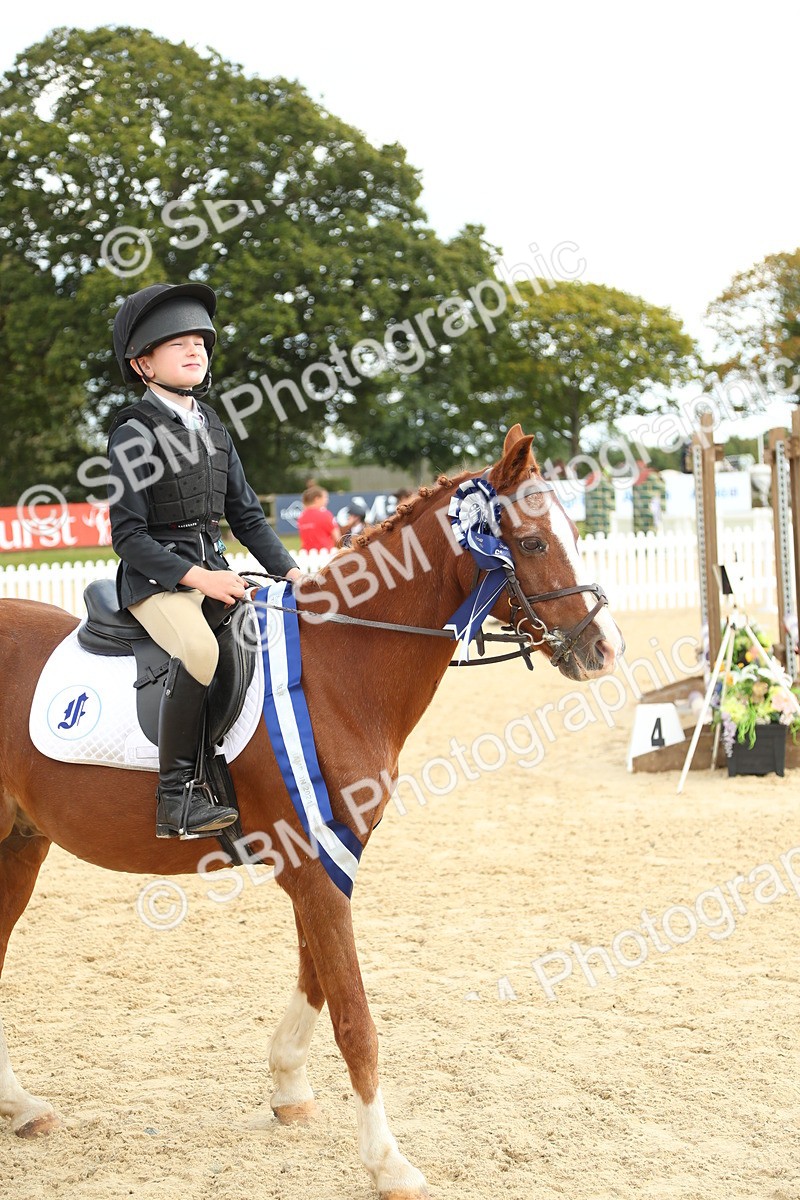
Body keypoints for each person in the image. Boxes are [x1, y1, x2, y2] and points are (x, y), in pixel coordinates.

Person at [109, 282, 302, 840]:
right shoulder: (133, 432)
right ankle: (177, 796)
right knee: (198, 649)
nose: (194, 349)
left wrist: (294, 575)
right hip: (156, 582)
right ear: (143, 363)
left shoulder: (213, 425)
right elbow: (127, 536)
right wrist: (200, 579)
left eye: (200, 341)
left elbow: (248, 518)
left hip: (215, 573)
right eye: (178, 343)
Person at [297, 485, 339, 551]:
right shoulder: (325, 514)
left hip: (307, 553)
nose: (327, 500)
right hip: (326, 552)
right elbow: (337, 538)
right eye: (325, 497)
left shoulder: (301, 517)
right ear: (317, 499)